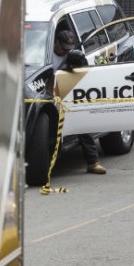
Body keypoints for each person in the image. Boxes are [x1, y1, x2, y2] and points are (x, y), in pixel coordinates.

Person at [52, 29, 106, 174]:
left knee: (82, 123)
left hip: (68, 94)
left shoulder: (73, 56)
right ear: (55, 42)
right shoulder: (46, 55)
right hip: (47, 96)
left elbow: (84, 75)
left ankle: (93, 162)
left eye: (68, 49)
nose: (65, 52)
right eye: (63, 48)